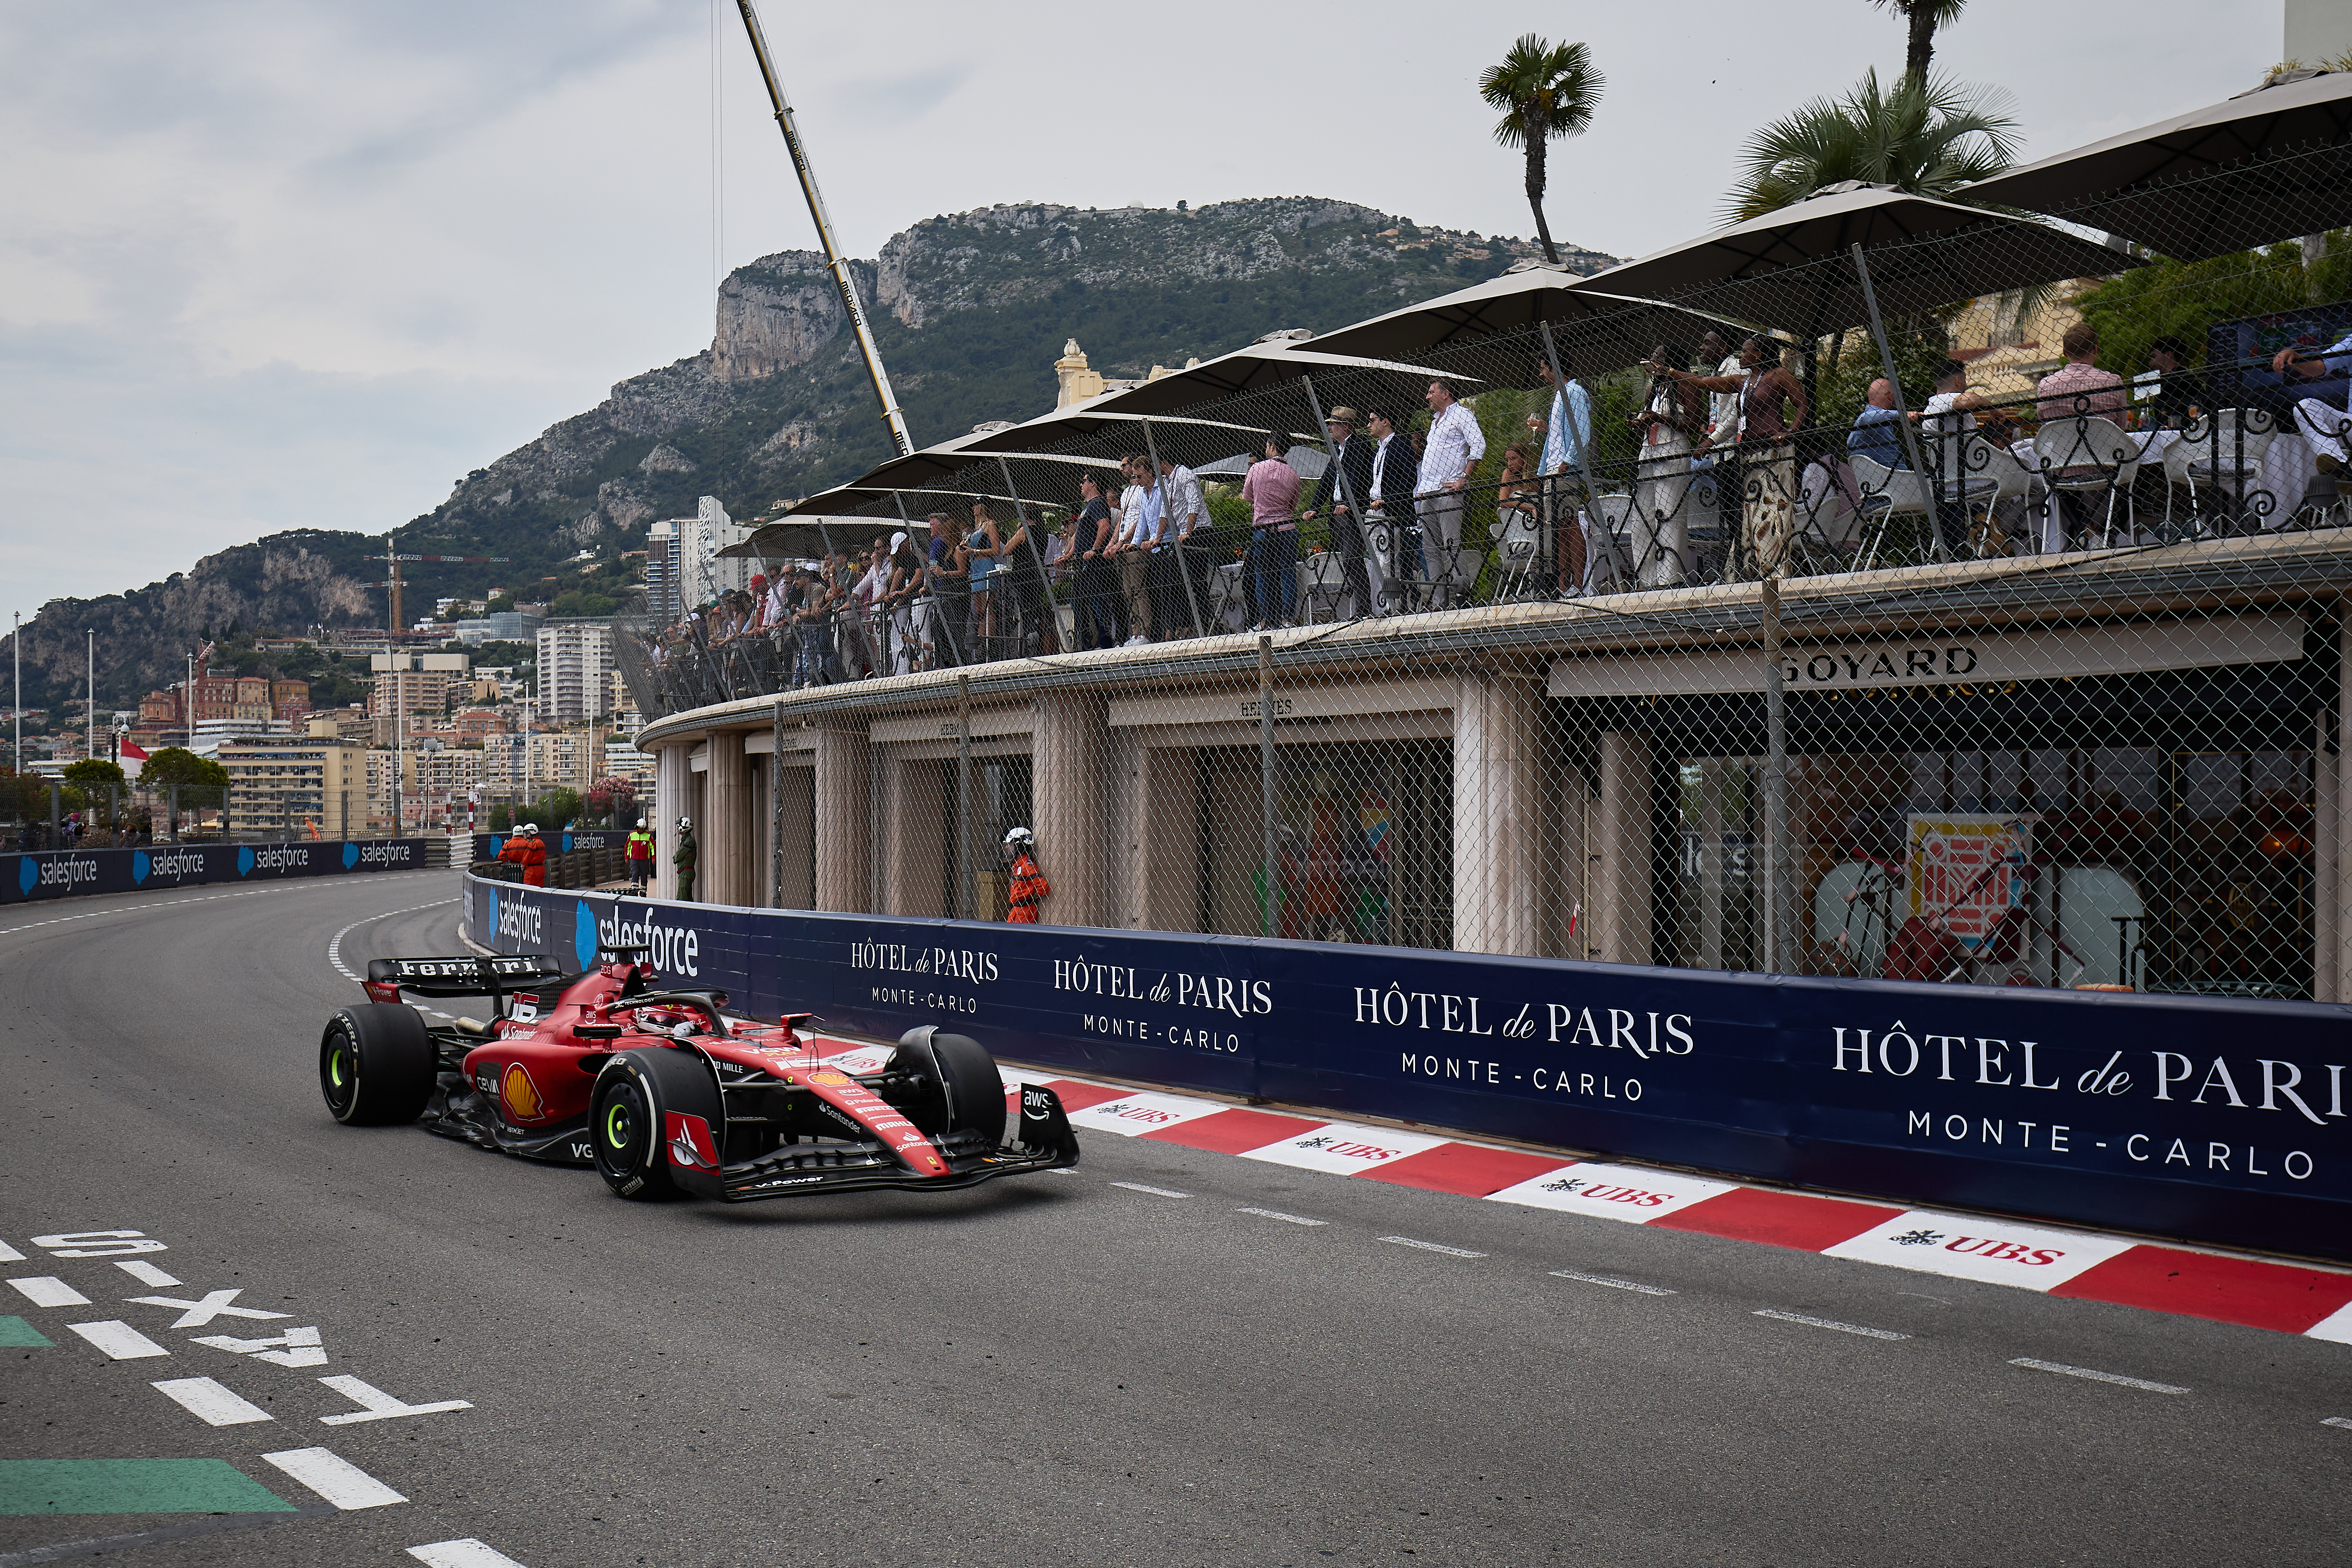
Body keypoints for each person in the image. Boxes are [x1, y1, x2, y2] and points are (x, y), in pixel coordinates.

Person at [1654, 336, 1807, 579]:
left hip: (1775, 453)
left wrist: (1790, 431)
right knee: (1751, 515)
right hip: (1749, 454)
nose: (1741, 356)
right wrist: (1671, 372)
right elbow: (1705, 382)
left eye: (1746, 352)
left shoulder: (1779, 375)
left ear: (1758, 355)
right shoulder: (1744, 381)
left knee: (1773, 512)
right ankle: (1755, 572)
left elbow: (1802, 404)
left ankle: (1777, 574)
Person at [1630, 341, 1704, 587]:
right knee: (1643, 516)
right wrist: (1641, 422)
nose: (1654, 361)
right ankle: (1646, 579)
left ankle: (1670, 579)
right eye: (1653, 357)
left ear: (1672, 362)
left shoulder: (1687, 383)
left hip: (1672, 452)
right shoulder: (1655, 387)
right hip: (1649, 452)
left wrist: (1662, 419)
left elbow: (1693, 423)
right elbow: (1648, 417)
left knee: (1669, 514)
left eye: (1660, 357)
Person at [1416, 379, 1485, 607]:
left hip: (1448, 491)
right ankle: (1439, 602)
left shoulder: (1462, 414)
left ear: (1446, 394)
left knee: (1450, 544)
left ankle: (1462, 598)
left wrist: (1463, 478)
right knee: (1430, 549)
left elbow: (1479, 445)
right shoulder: (1435, 421)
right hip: (1427, 492)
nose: (1427, 396)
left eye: (1431, 392)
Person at [1308, 407, 1376, 617]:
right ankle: (1362, 608)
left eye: (1334, 424)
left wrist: (1348, 502)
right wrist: (1314, 507)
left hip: (1352, 512)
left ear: (1346, 426)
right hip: (1337, 513)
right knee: (1348, 560)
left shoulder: (1360, 445)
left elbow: (1357, 477)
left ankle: (1365, 609)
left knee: (1352, 558)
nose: (1329, 428)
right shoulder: (1338, 450)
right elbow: (1327, 479)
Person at [1535, 356, 1592, 594]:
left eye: (1543, 368)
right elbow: (1556, 437)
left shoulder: (1575, 392)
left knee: (1570, 524)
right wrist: (1543, 472)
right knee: (1556, 527)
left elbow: (1582, 431)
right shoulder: (1559, 395)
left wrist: (1567, 463)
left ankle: (1578, 584)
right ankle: (1562, 585)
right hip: (1552, 471)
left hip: (1564, 471)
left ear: (1553, 368)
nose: (1541, 374)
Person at [1241, 433, 1303, 629]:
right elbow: (1293, 504)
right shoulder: (1293, 473)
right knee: (1287, 573)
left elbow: (1247, 497)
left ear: (1272, 447)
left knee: (1262, 574)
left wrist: (1263, 502)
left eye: (1267, 445)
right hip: (1286, 527)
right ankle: (1287, 619)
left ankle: (1266, 620)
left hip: (1262, 528)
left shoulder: (1256, 469)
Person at [1365, 406, 1422, 612]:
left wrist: (1387, 500)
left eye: (1373, 420)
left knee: (1399, 560)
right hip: (1376, 511)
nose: (1369, 425)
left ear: (1386, 422)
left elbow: (1409, 479)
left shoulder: (1401, 446)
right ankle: (1388, 604)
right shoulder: (1376, 451)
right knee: (1382, 560)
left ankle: (1404, 604)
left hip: (1396, 512)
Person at [1154, 452, 1209, 639]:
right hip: (1183, 536)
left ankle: (1202, 625)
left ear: (1164, 462)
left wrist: (1188, 531)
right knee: (1179, 579)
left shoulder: (1185, 475)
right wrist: (1158, 538)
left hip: (1199, 532)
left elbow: (1194, 504)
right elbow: (1165, 510)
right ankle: (1186, 625)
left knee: (1195, 580)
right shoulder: (1167, 482)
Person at [2036, 322, 2126, 425]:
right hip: (2103, 440)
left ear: (2065, 353)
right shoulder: (2113, 382)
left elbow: (2045, 425)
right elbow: (2121, 425)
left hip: (2062, 440)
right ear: (2095, 350)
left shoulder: (2046, 385)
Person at [1112, 455, 1159, 644]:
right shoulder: (1126, 493)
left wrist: (1127, 540)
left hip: (1136, 545)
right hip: (1123, 546)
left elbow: (1141, 520)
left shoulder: (1141, 491)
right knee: (1128, 592)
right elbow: (1123, 519)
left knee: (1139, 590)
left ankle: (1145, 633)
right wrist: (1114, 543)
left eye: (1124, 465)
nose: (1122, 469)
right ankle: (1135, 632)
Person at [1848, 378, 1907, 470]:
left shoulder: (1883, 422)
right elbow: (1867, 418)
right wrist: (1904, 415)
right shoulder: (1868, 417)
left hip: (1885, 479)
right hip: (1897, 478)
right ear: (1891, 396)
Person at [1003, 825, 1049, 924]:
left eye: (1010, 845)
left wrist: (1029, 895)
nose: (1007, 847)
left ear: (1019, 846)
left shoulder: (1026, 865)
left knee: (1017, 937)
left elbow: (1043, 887)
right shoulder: (1017, 865)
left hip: (1024, 910)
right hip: (1016, 909)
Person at [500, 821, 547, 887]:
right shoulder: (541, 843)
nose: (526, 835)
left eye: (527, 833)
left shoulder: (532, 844)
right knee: (539, 889)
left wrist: (523, 866)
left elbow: (527, 858)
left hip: (531, 871)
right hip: (541, 869)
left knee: (528, 889)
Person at [672, 815, 698, 903]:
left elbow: (678, 857)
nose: (677, 828)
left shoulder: (689, 841)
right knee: (688, 899)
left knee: (681, 900)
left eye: (678, 826)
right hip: (686, 872)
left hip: (686, 873)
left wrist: (677, 857)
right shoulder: (686, 840)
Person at [626, 816, 654, 893]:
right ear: (637, 827)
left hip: (645, 860)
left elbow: (653, 847)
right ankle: (634, 893)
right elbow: (627, 846)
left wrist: (653, 857)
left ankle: (643, 893)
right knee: (635, 875)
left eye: (643, 829)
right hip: (634, 859)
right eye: (640, 829)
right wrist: (627, 857)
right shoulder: (632, 835)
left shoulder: (648, 835)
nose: (641, 831)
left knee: (644, 877)